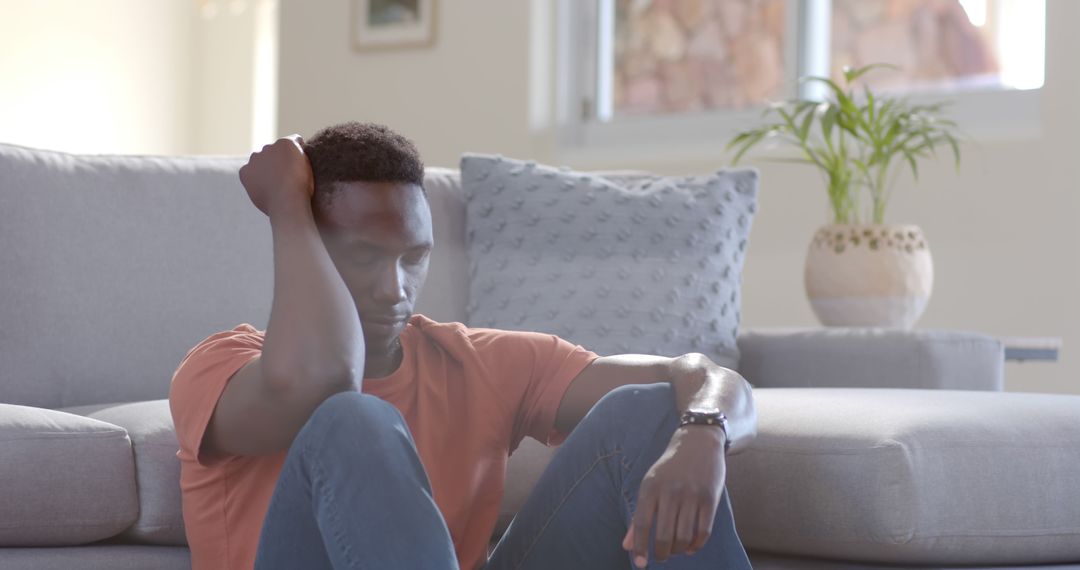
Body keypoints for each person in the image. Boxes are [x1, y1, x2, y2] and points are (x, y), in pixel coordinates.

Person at [169, 122, 757, 570]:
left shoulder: (476, 361)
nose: (394, 288)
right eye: (364, 256)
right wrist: (287, 205)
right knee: (352, 418)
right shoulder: (219, 370)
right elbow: (325, 380)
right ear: (311, 253)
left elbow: (698, 373)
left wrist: (704, 431)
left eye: (413, 258)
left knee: (646, 411)